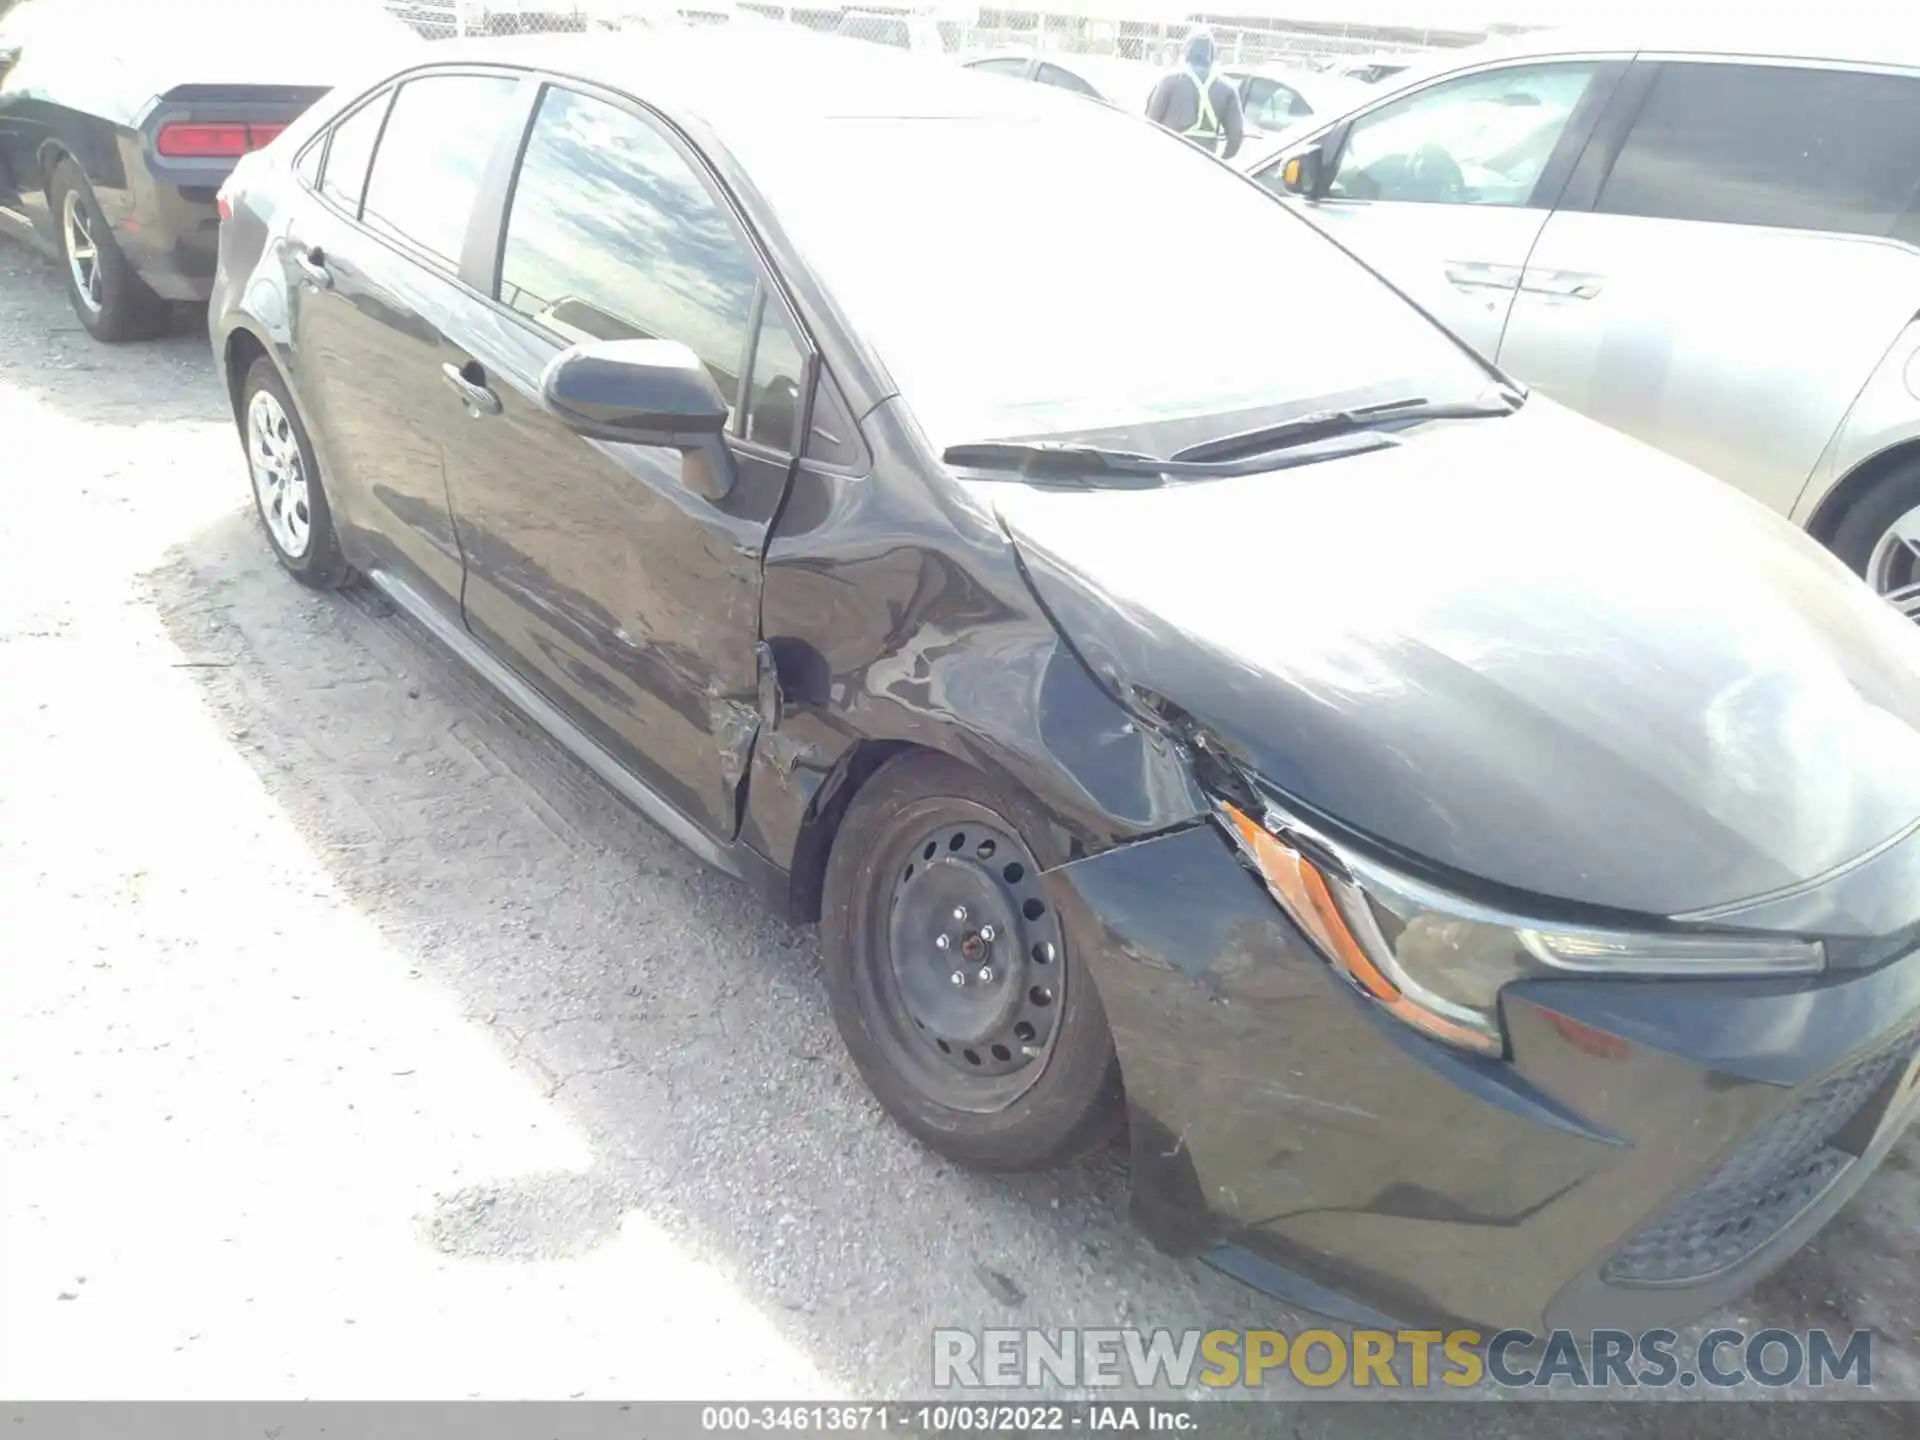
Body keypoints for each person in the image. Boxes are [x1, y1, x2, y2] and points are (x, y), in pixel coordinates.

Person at [1144, 28, 1245, 160]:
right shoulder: (1227, 88)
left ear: (1187, 52)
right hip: (1205, 162)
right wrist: (1222, 161)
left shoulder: (1169, 81)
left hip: (1169, 158)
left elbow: (1150, 121)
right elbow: (1236, 135)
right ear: (1213, 55)